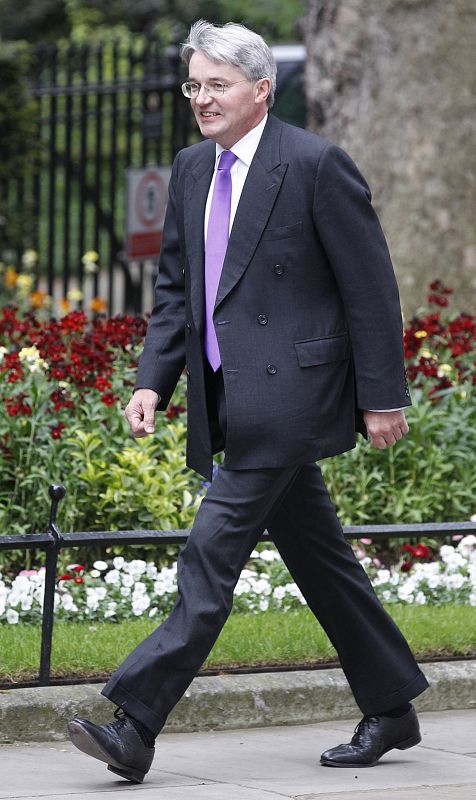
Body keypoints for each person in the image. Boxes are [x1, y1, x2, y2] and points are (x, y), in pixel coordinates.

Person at [68, 19, 429, 784]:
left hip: (294, 398)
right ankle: (393, 704)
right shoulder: (193, 168)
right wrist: (150, 382)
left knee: (209, 559)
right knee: (323, 562)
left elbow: (370, 288)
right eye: (194, 84)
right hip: (229, 399)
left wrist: (382, 397)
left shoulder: (316, 164)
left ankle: (135, 723)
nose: (201, 98)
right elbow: (177, 293)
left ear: (260, 90)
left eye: (217, 84)